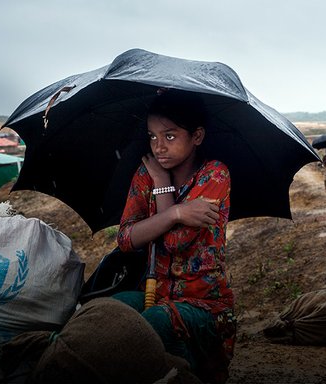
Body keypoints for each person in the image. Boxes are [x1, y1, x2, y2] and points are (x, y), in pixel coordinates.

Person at [113, 89, 235, 383]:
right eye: (152, 136)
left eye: (169, 136)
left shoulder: (214, 176)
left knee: (155, 322)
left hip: (204, 304)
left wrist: (164, 196)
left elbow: (174, 242)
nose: (158, 147)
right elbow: (126, 238)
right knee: (109, 312)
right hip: (156, 292)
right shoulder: (148, 176)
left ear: (197, 137)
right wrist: (175, 210)